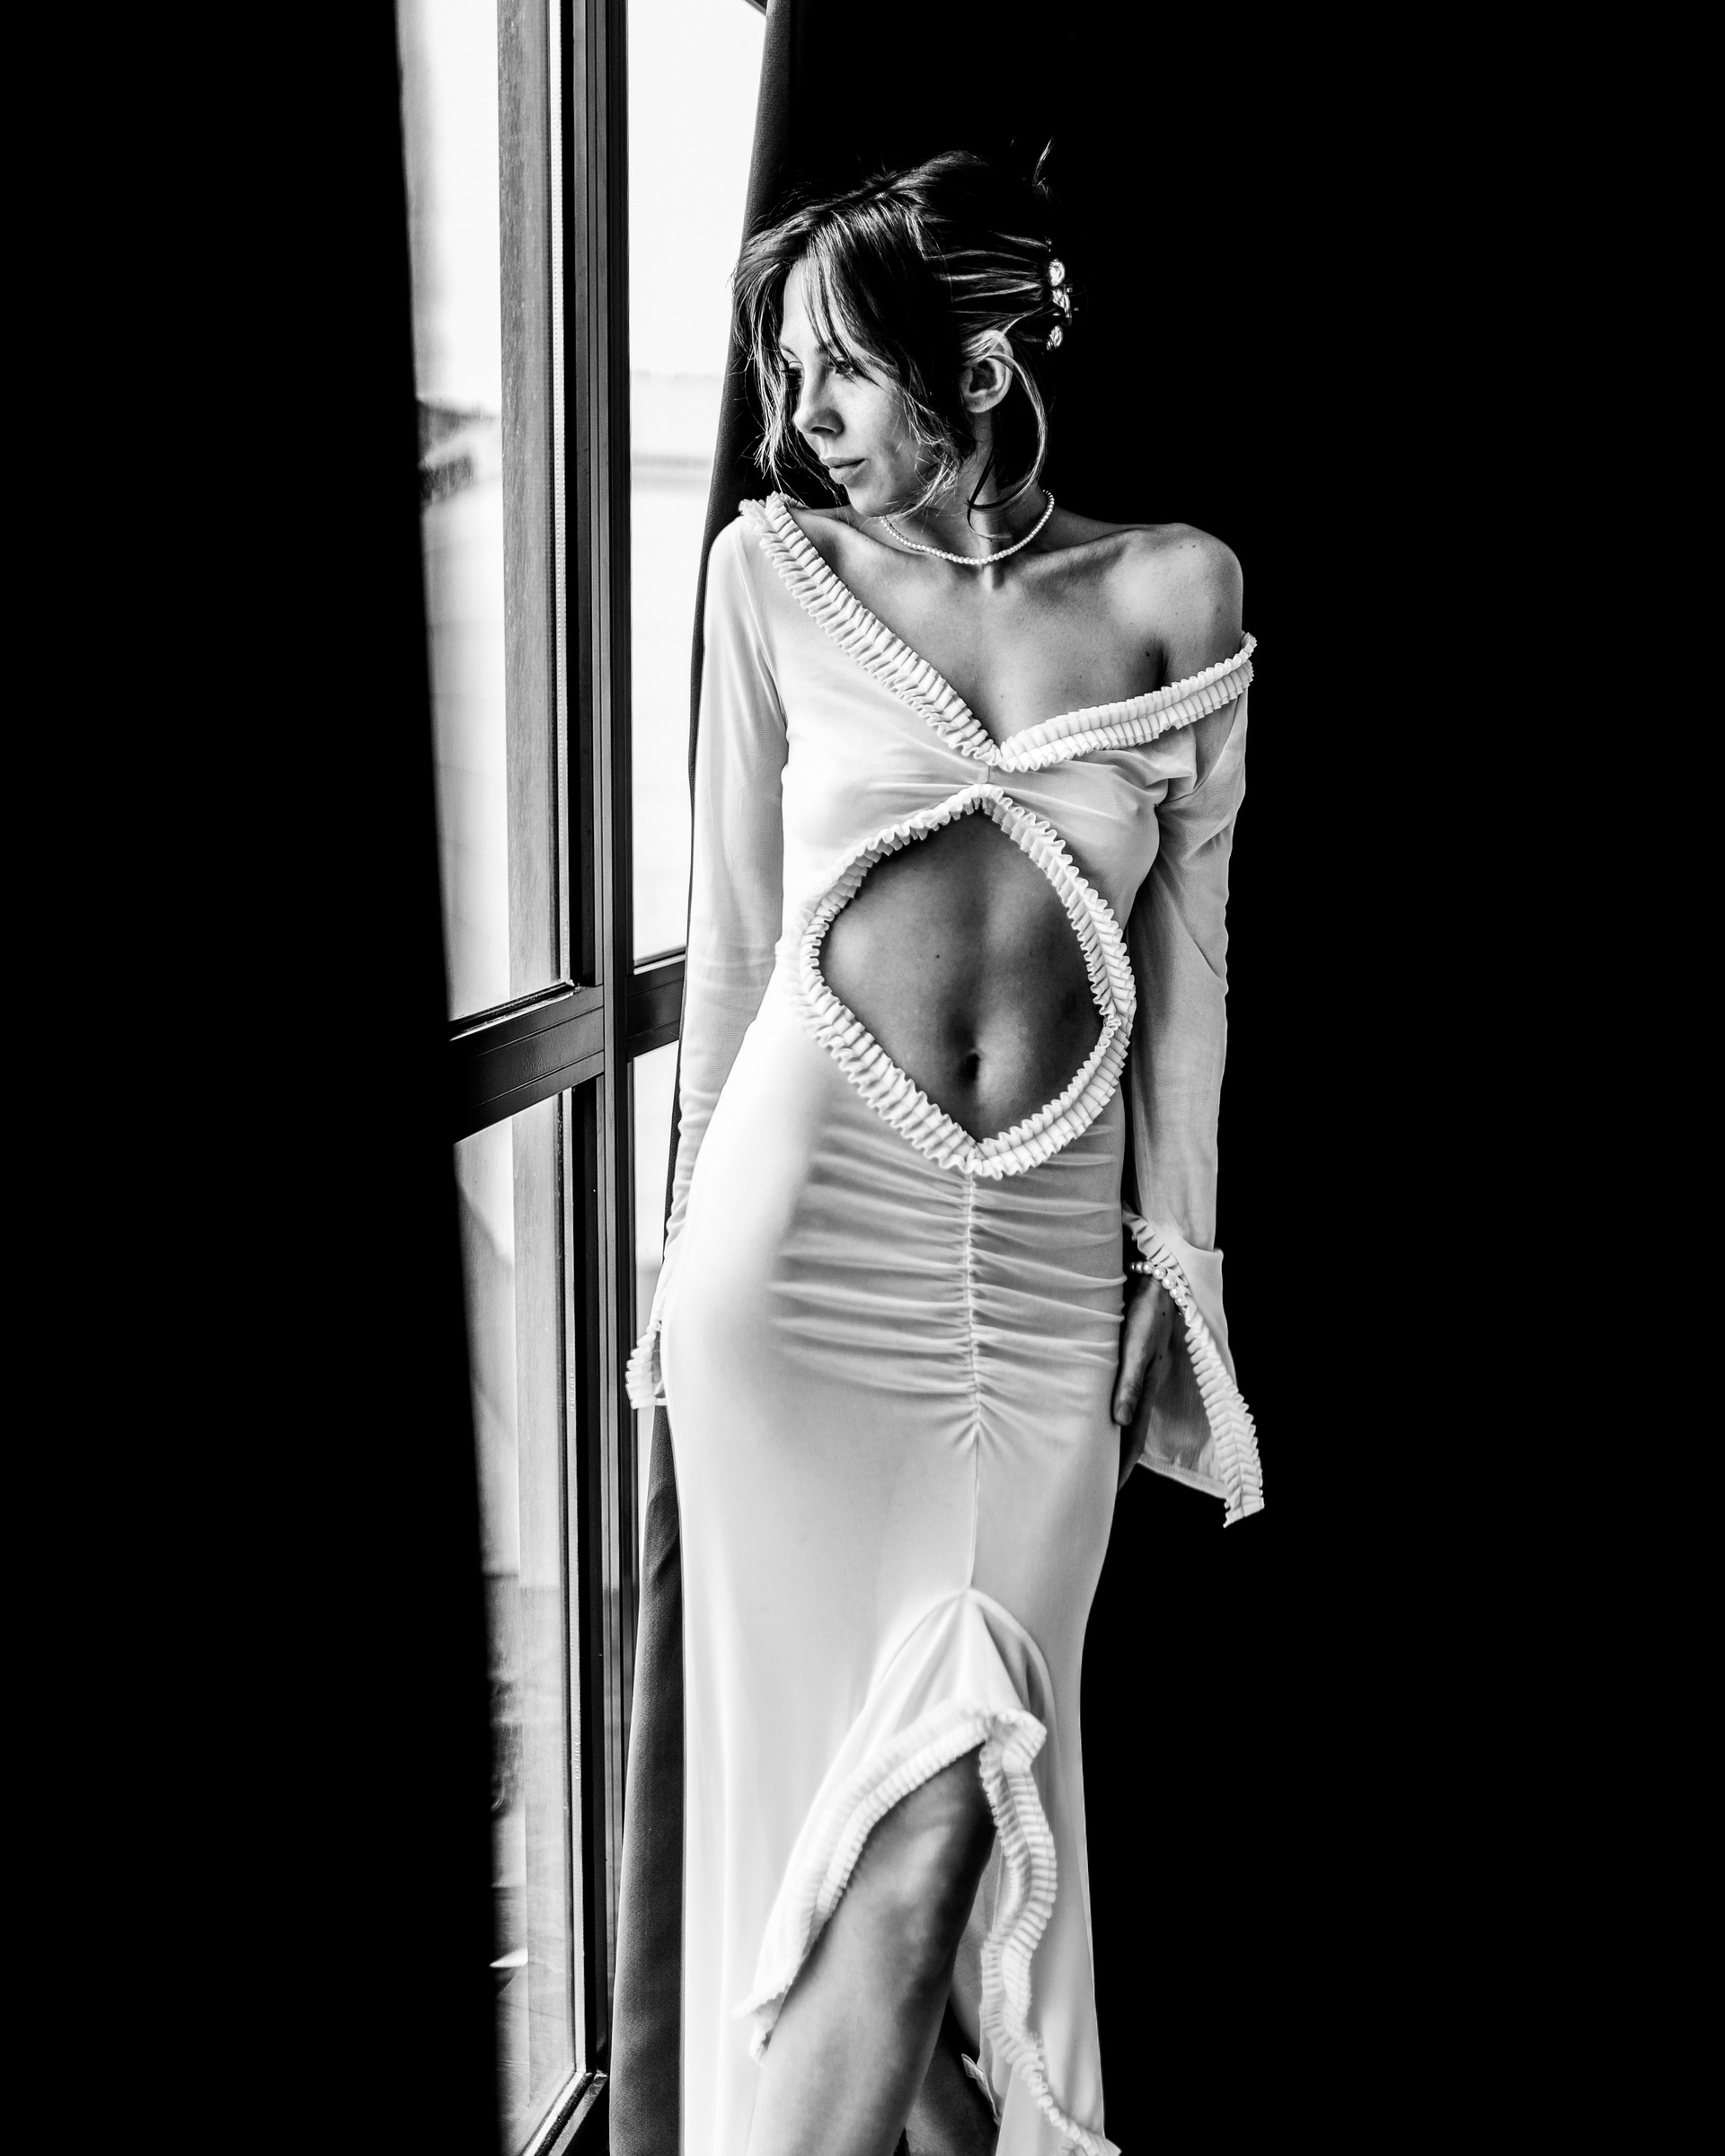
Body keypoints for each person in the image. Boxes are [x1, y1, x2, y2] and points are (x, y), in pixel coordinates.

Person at [625, 150, 1262, 2156]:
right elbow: (739, 949)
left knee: (943, 1829)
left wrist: (1181, 1275)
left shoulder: (1179, 591)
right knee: (864, 1859)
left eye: (840, 370)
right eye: (784, 373)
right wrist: (672, 1261)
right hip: (797, 1267)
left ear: (978, 367)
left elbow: (1194, 979)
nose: (798, 417)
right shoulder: (772, 577)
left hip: (1049, 1283)